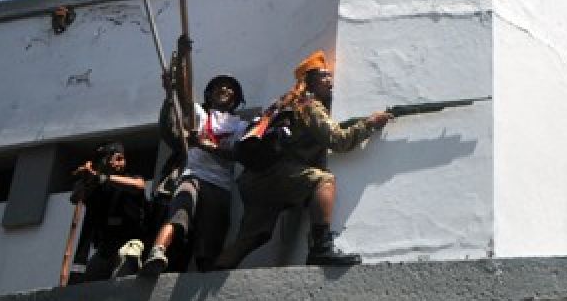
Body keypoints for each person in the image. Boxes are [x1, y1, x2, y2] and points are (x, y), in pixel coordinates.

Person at [214, 51, 392, 268]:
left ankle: (213, 272)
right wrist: (370, 124)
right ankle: (321, 248)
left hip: (253, 179)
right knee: (323, 181)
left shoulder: (282, 104)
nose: (331, 82)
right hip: (278, 173)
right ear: (309, 82)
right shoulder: (308, 104)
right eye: (324, 77)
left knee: (253, 236)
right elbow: (338, 140)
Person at [140, 76, 249, 277]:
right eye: (218, 86)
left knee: (212, 235)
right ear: (209, 94)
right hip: (192, 176)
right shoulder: (199, 113)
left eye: (230, 88)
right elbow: (181, 107)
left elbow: (237, 154)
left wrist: (205, 146)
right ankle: (157, 252)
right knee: (179, 212)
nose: (224, 89)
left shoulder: (241, 126)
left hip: (220, 186)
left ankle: (205, 277)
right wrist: (170, 93)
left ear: (236, 99)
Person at [70, 141, 148, 280]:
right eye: (116, 158)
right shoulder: (97, 187)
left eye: (121, 159)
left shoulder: (128, 179)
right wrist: (86, 179)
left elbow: (139, 185)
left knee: (124, 269)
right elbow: (75, 197)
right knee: (89, 280)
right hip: (106, 248)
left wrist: (103, 178)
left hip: (131, 243)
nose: (120, 163)